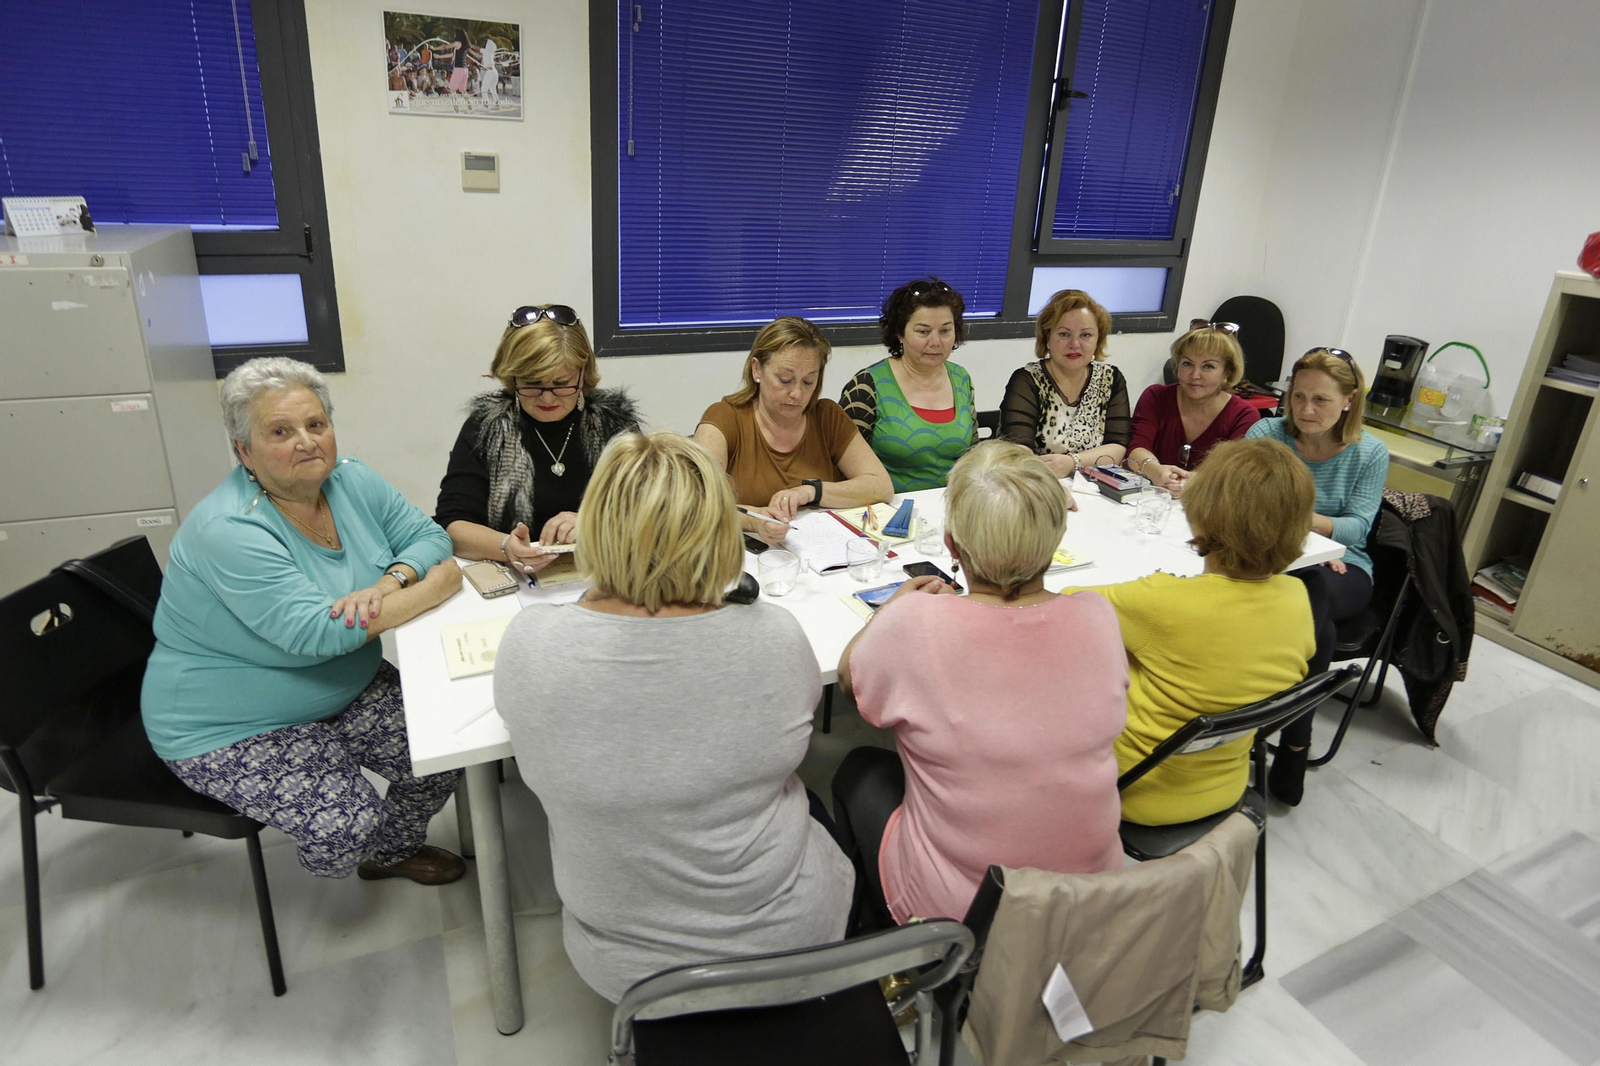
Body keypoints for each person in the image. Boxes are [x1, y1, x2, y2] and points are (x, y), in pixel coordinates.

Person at [494, 431, 855, 1002]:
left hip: (629, 973)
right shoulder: (774, 636)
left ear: (597, 528)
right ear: (720, 530)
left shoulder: (531, 645)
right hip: (791, 942)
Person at [141, 357, 467, 885]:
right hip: (230, 721)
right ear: (243, 450)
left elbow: (428, 537)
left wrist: (393, 581)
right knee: (346, 826)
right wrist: (433, 588)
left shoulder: (351, 481)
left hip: (344, 683)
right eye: (280, 431)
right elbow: (316, 633)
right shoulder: (229, 529)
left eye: (316, 425)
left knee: (443, 756)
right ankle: (352, 855)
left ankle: (390, 853)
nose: (307, 441)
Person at [832, 442, 1126, 926]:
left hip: (965, 914)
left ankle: (893, 947)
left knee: (858, 768)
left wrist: (890, 611)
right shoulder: (1097, 616)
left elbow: (852, 683)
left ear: (951, 544)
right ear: (1055, 539)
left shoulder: (915, 625)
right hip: (1089, 898)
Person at [1071, 438, 1319, 826]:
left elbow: (1056, 606)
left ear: (1201, 511)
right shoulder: (1297, 597)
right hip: (1227, 786)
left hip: (1134, 789)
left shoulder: (1161, 602)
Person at [1246, 347, 1389, 804]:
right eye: (1298, 396)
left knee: (1312, 593)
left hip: (1344, 565)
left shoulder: (1369, 451)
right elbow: (1240, 497)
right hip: (1273, 554)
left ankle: (1287, 739)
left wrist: (1310, 533)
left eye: (1321, 400)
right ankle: (1292, 743)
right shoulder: (1267, 432)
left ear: (1349, 400)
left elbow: (1358, 527)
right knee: (1311, 609)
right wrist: (1308, 531)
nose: (1306, 410)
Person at [435, 303, 641, 578]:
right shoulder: (487, 427)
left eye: (561, 383)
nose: (546, 398)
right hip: (515, 581)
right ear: (512, 376)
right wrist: (506, 546)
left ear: (583, 373)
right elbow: (453, 523)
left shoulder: (615, 424)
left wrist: (595, 524)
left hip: (604, 576)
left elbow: (655, 506)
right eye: (531, 383)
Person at [693, 316, 893, 545]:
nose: (797, 393)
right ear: (757, 369)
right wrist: (755, 521)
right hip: (744, 555)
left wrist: (811, 492)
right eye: (785, 380)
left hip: (818, 550)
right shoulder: (724, 418)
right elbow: (700, 502)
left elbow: (881, 486)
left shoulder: (827, 417)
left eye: (808, 382)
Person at [838, 277, 977, 491]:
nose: (936, 342)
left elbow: (973, 455)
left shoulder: (961, 378)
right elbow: (842, 464)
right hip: (887, 508)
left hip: (953, 506)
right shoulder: (867, 386)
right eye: (923, 331)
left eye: (945, 331)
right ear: (899, 333)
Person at [1122, 319, 1261, 495]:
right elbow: (1135, 450)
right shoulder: (1156, 397)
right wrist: (1155, 471)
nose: (1195, 375)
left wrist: (1194, 482)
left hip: (1207, 506)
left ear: (1227, 371)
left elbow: (1232, 472)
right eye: (1187, 363)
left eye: (1208, 366)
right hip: (1151, 500)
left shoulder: (1244, 415)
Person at [1001, 288, 1131, 476]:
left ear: (1098, 340)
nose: (1075, 344)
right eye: (1064, 334)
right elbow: (1017, 451)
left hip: (1093, 487)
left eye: (1085, 335)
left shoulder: (1111, 378)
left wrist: (1072, 462)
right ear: (1047, 339)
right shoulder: (1027, 380)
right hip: (1036, 482)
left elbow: (1118, 447)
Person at [477, 35, 499, 110]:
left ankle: (486, 105)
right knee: (492, 89)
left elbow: (476, 49)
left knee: (484, 89)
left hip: (490, 72)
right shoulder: (490, 53)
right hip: (494, 72)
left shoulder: (485, 51)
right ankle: (497, 103)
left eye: (484, 42)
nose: (483, 44)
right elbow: (478, 56)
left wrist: (469, 46)